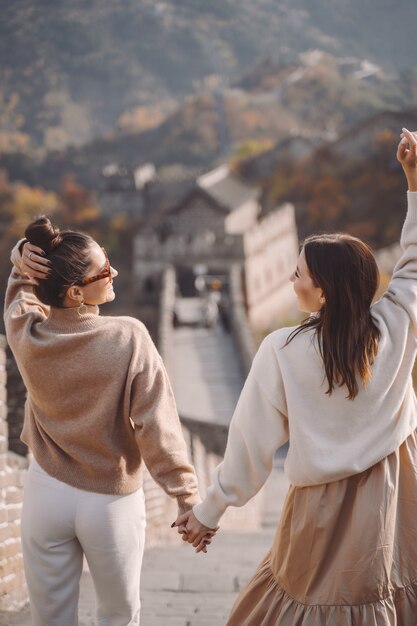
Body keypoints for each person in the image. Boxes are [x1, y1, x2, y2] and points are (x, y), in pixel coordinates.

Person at [175, 127, 417, 623]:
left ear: (323, 291)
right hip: (398, 493)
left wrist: (208, 513)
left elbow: (250, 445)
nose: (291, 282)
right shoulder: (397, 324)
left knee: (301, 606)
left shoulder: (283, 350)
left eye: (298, 275)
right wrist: (414, 183)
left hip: (320, 505)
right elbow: (415, 262)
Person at [4, 217, 202, 626]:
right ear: (76, 292)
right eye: (104, 271)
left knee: (49, 618)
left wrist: (21, 256)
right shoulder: (128, 336)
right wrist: (185, 496)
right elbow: (156, 424)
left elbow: (21, 290)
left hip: (44, 494)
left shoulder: (27, 334)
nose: (114, 273)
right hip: (109, 501)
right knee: (118, 616)